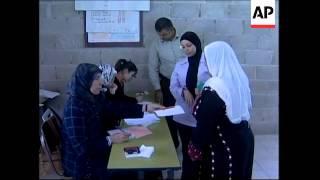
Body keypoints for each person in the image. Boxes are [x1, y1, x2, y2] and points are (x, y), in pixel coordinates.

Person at [61, 63, 163, 180]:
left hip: (98, 147)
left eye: (101, 77)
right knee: (129, 169)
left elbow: (114, 108)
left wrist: (144, 108)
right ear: (85, 81)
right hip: (85, 164)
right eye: (97, 79)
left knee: (143, 167)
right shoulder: (74, 107)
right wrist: (110, 140)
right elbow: (82, 148)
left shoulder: (93, 96)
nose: (101, 82)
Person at [187, 41, 255, 179]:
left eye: (206, 60)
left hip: (223, 147)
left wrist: (195, 147)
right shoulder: (239, 79)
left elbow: (205, 123)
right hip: (244, 138)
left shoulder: (215, 86)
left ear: (214, 60)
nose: (205, 64)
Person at [169, 31, 211, 180]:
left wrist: (203, 92)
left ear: (197, 44)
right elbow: (173, 86)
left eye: (189, 45)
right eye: (183, 47)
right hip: (184, 115)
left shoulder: (208, 63)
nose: (186, 49)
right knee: (188, 151)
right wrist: (184, 90)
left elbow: (215, 84)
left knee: (203, 150)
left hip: (203, 115)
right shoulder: (180, 64)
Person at [148, 17, 185, 149]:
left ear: (171, 29)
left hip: (185, 83)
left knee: (186, 113)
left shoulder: (184, 39)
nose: (162, 37)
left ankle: (189, 145)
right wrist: (158, 89)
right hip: (167, 83)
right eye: (160, 35)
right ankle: (174, 144)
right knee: (169, 114)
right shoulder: (156, 44)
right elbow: (153, 67)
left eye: (164, 34)